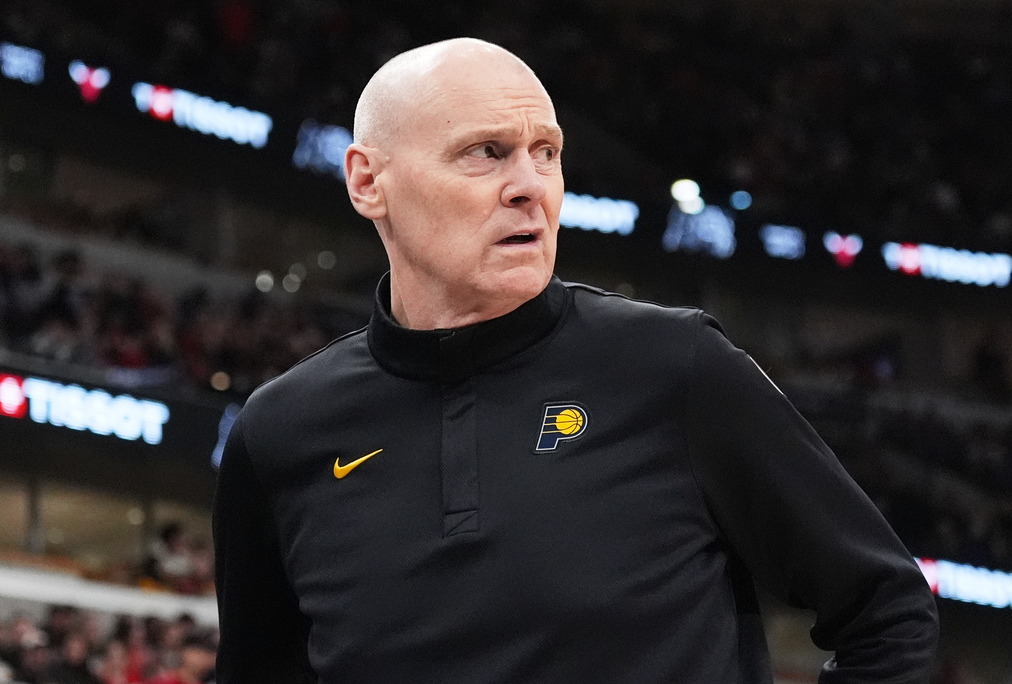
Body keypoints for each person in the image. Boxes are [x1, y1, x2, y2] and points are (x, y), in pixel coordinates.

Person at [213, 37, 938, 682]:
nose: (531, 185)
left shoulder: (675, 365)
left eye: (547, 153)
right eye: (486, 152)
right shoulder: (280, 432)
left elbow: (887, 611)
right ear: (369, 182)